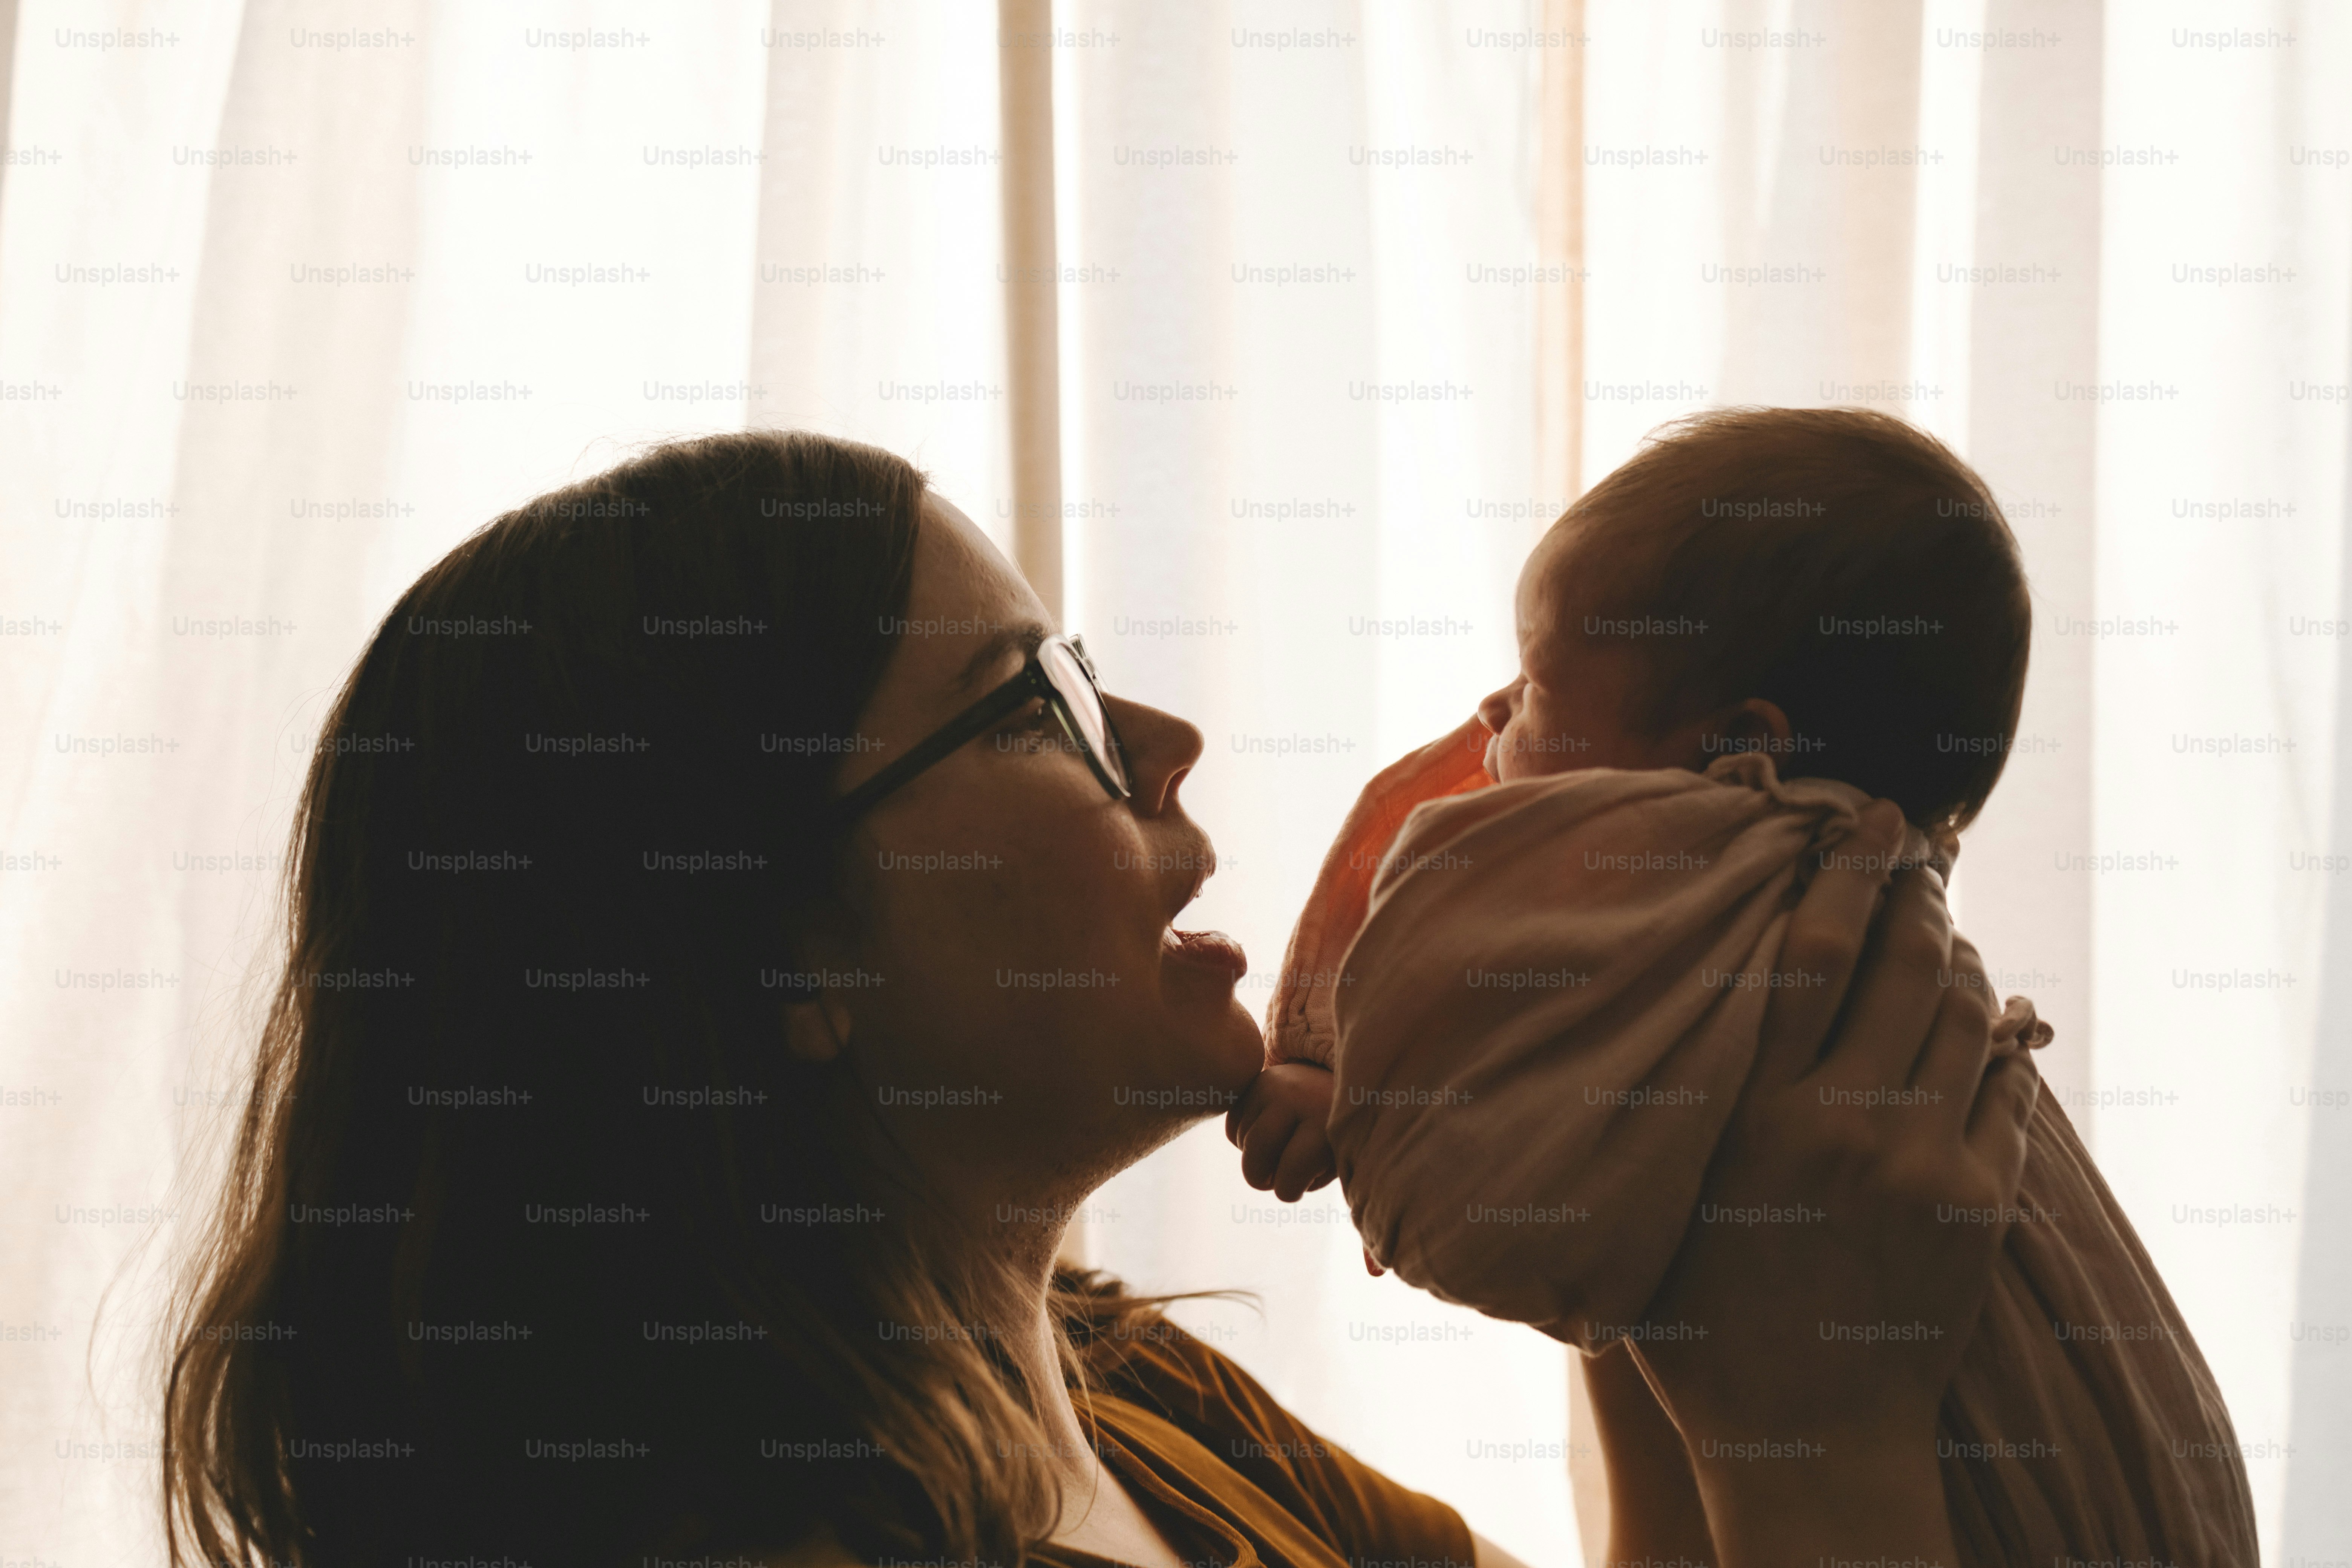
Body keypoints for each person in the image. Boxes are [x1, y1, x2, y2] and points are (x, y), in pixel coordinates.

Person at [163, 429, 2037, 1568]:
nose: (1165, 738)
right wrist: (1836, 1444)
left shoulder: (1124, 1398)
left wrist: (1663, 1217)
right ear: (788, 950)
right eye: (1038, 701)